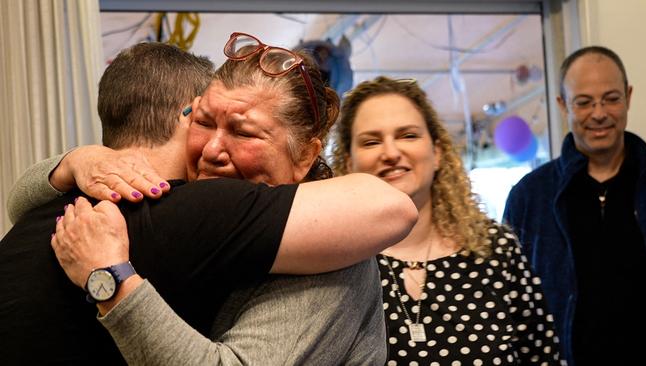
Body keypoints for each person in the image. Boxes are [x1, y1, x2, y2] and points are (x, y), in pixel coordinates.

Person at [1, 39, 417, 365]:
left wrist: (109, 278)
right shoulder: (199, 215)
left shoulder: (334, 245)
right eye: (203, 123)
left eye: (244, 132)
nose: (213, 148)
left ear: (305, 156)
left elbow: (393, 206)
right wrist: (78, 160)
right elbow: (21, 205)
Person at [330, 76, 562, 365]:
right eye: (371, 141)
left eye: (408, 135)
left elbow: (543, 358)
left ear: (437, 153)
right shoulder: (334, 264)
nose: (390, 152)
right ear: (349, 163)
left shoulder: (496, 249)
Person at [503, 46, 646, 366]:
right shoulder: (529, 197)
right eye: (583, 102)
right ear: (562, 105)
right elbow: (509, 305)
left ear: (628, 96)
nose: (599, 113)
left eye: (611, 98)